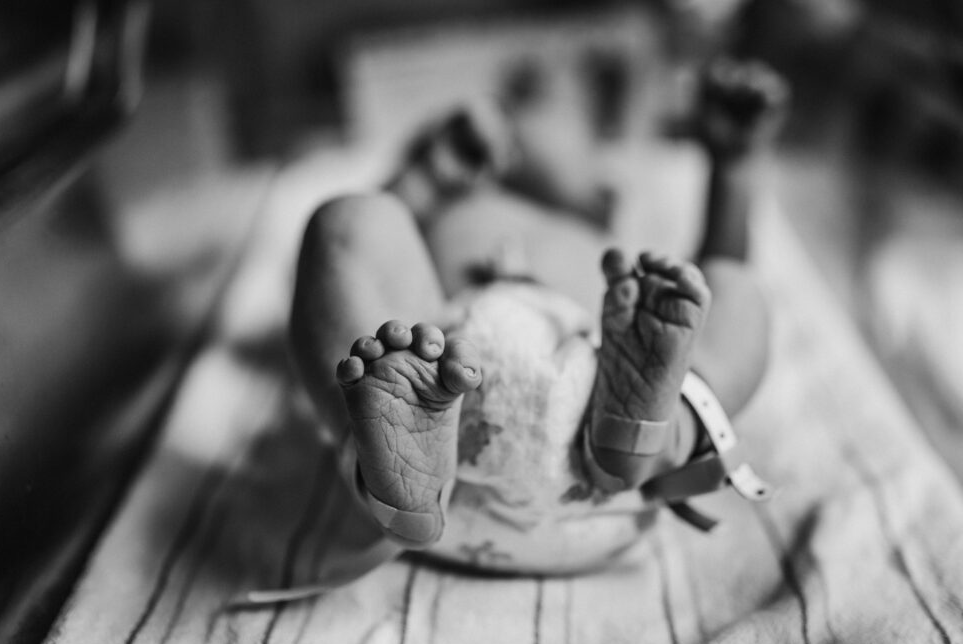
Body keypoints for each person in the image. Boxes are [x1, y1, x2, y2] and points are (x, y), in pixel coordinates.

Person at [288, 57, 788, 573]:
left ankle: (662, 428)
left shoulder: (611, 244)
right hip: (439, 407)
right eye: (512, 111)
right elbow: (352, 272)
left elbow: (712, 274)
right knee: (351, 219)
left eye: (538, 112)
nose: (513, 131)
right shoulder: (451, 205)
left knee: (733, 288)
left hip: (608, 434)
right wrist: (427, 178)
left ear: (601, 185)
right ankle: (387, 461)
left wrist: (733, 165)